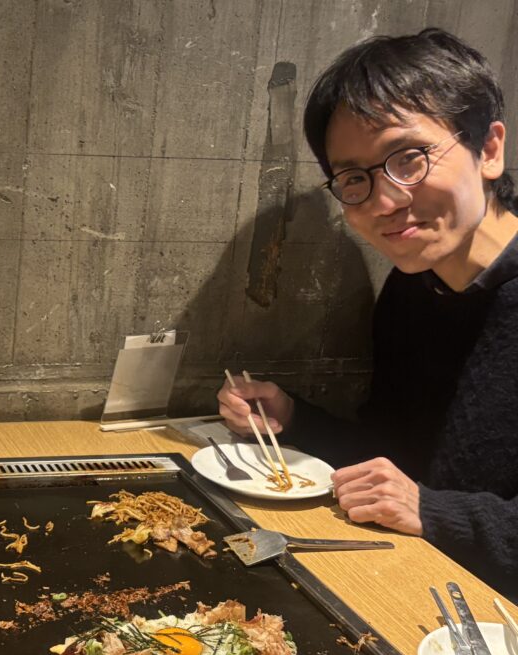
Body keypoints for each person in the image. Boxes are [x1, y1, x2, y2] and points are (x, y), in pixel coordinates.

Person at [217, 28, 518, 602]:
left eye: (409, 158)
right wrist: (293, 419)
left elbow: (422, 500)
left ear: (488, 149)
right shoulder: (413, 290)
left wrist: (435, 512)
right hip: (424, 584)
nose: (384, 201)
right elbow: (392, 459)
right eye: (355, 178)